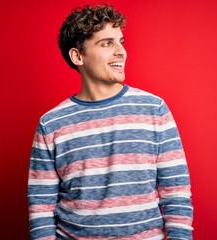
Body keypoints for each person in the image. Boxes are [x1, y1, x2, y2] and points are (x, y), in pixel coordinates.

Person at [28, 4, 193, 240]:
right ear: (78, 56)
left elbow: (176, 190)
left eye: (121, 42)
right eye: (107, 43)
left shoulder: (154, 109)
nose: (121, 52)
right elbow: (40, 207)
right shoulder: (51, 124)